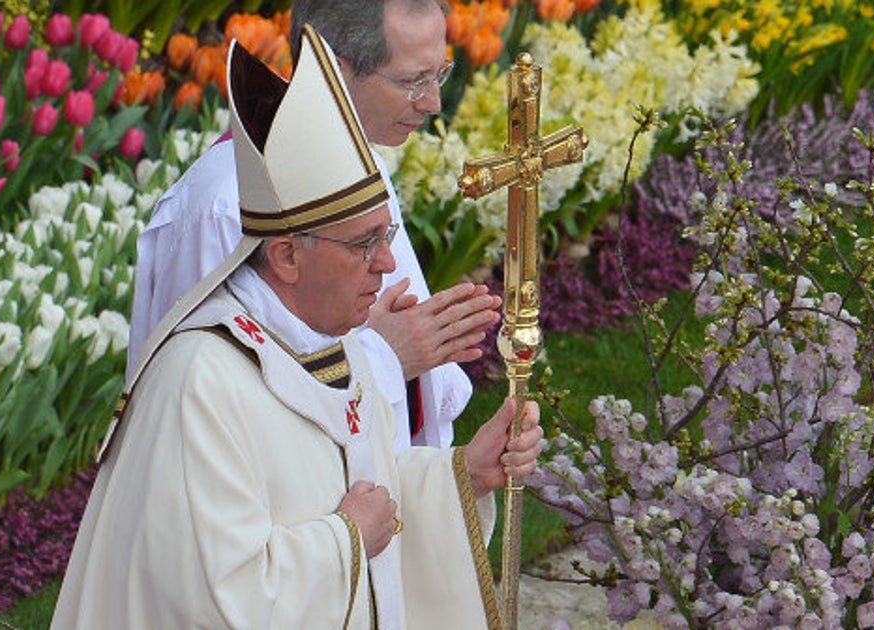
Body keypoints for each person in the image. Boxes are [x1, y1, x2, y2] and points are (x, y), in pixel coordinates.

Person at [52, 28, 541, 629]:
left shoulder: (335, 341)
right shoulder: (201, 382)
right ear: (285, 256)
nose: (388, 265)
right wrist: (348, 542)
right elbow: (214, 593)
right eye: (365, 245)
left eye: (385, 237)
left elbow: (369, 487)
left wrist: (465, 475)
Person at [128, 0, 497, 452]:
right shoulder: (226, 210)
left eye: (438, 73)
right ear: (333, 70)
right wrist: (385, 360)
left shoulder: (361, 166)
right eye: (411, 81)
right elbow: (208, 405)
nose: (434, 102)